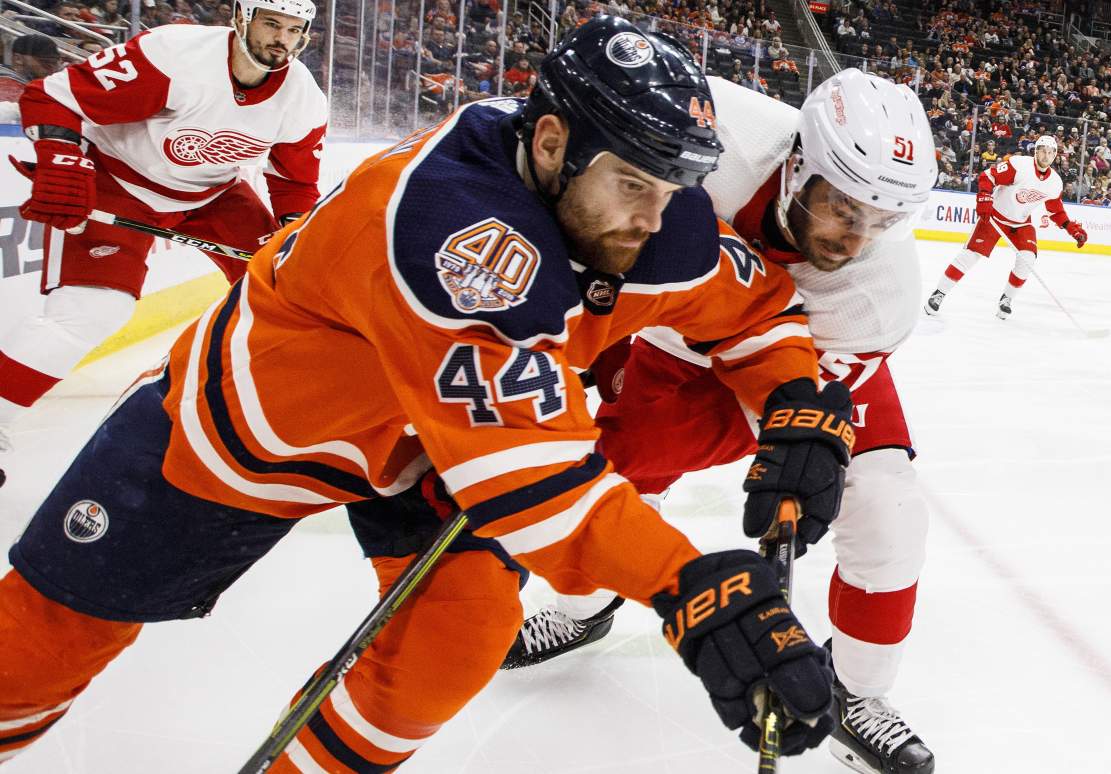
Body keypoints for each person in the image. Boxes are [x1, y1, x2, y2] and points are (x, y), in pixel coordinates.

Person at [0, 17, 852, 768]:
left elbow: (755, 311)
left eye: (672, 190)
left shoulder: (646, 213)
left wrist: (798, 404)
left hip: (424, 451)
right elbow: (534, 490)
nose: (654, 218)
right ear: (551, 143)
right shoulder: (452, 231)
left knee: (460, 630)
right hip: (248, 436)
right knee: (38, 648)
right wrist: (692, 587)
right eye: (634, 185)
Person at [501, 69, 939, 774]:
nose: (855, 241)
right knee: (607, 471)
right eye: (843, 208)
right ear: (799, 165)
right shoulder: (717, 125)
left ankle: (857, 691)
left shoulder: (878, 293)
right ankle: (583, 608)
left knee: (886, 509)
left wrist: (799, 458)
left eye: (881, 223)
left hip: (807, 356)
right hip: (680, 337)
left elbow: (798, 416)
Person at [0, 0, 328, 487]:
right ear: (241, 18)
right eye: (271, 24)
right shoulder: (175, 54)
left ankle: (286, 415)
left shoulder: (303, 97)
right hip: (119, 182)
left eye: (293, 30)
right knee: (91, 312)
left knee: (289, 291)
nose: (281, 39)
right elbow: (54, 98)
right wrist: (61, 159)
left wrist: (295, 235)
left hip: (213, 195)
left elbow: (294, 184)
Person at [924, 134, 1088, 319]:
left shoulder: (1055, 182)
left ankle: (1006, 299)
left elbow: (1055, 211)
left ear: (1055, 155)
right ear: (1036, 151)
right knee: (970, 256)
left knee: (1027, 259)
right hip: (994, 216)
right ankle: (939, 293)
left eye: (1050, 152)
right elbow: (988, 176)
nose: (1046, 155)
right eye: (1042, 151)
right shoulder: (1019, 165)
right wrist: (985, 197)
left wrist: (1072, 229)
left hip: (1021, 223)